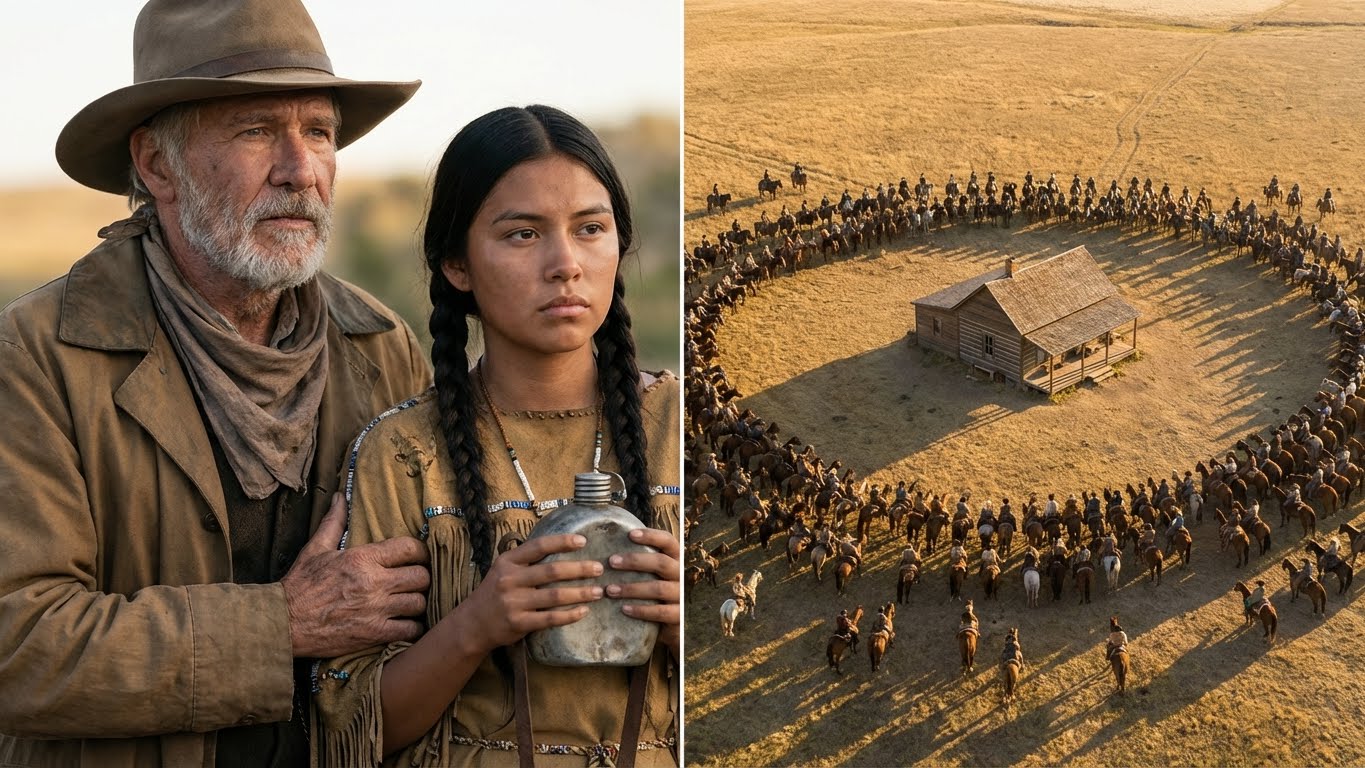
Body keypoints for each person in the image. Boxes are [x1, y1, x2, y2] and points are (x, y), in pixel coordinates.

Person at [0, 1, 433, 764]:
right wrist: (284, 626)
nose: (300, 169)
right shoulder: (37, 358)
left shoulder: (382, 347)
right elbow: (18, 643)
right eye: (258, 130)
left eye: (320, 133)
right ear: (156, 164)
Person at [312, 106, 681, 766]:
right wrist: (476, 625)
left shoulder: (679, 426)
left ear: (619, 246)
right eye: (521, 235)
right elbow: (351, 731)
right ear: (456, 263)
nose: (565, 264)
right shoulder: (403, 453)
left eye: (590, 229)